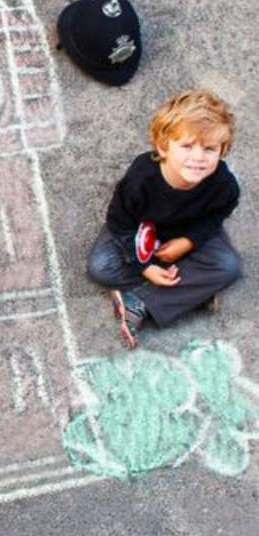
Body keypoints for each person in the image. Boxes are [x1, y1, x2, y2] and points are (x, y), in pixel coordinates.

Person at [87, 89, 241, 348]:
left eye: (210, 149)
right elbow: (119, 223)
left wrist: (190, 241)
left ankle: (139, 301)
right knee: (100, 267)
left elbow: (217, 216)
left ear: (222, 150)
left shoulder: (223, 184)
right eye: (187, 146)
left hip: (184, 238)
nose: (198, 157)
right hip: (138, 234)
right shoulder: (141, 179)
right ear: (163, 146)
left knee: (228, 266)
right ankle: (192, 289)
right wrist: (143, 266)